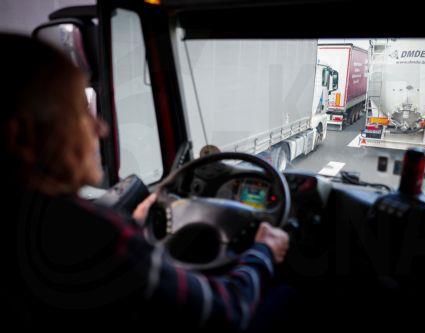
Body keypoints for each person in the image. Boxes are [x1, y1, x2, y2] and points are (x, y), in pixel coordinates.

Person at [0, 33, 289, 331]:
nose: (100, 128)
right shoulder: (90, 233)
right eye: (79, 113)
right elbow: (227, 310)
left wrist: (133, 224)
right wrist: (263, 251)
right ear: (21, 136)